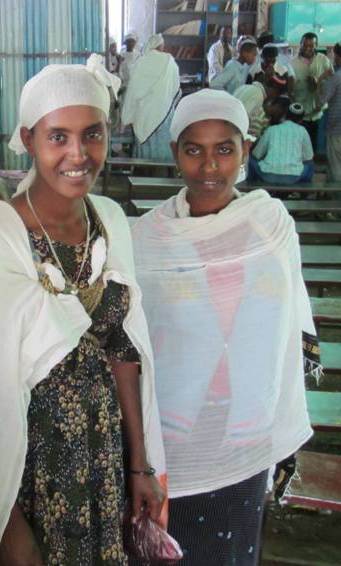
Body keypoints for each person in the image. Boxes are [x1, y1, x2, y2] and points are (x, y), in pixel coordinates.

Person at [0, 55, 167, 566]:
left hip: (105, 466)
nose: (78, 154)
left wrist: (138, 466)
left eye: (92, 134)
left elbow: (126, 353)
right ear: (28, 140)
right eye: (57, 137)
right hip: (30, 479)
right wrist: (8, 525)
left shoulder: (109, 221)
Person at [132, 89, 317, 565]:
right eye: (194, 150)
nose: (209, 166)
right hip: (173, 435)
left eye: (224, 149)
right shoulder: (149, 239)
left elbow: (287, 321)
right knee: (168, 550)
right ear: (176, 153)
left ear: (246, 151)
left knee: (230, 551)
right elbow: (135, 338)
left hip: (245, 431)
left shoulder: (270, 225)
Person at [122, 34, 181, 162]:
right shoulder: (170, 61)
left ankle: (143, 174)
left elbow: (132, 92)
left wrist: (127, 117)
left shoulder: (141, 63)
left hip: (145, 114)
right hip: (165, 114)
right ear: (160, 46)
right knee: (164, 150)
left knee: (146, 153)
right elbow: (176, 88)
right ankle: (165, 175)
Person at [249, 102, 314, 184]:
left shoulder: (272, 129)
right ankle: (304, 193)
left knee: (251, 159)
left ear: (285, 116)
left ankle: (251, 186)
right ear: (301, 120)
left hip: (268, 176)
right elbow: (308, 158)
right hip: (293, 177)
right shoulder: (303, 131)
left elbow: (256, 154)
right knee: (310, 163)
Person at [290, 32, 334, 149]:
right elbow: (289, 89)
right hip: (300, 114)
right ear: (300, 45)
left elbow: (332, 81)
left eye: (311, 46)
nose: (308, 49)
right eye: (305, 45)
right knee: (299, 146)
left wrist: (319, 81)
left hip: (317, 113)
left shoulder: (323, 60)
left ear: (316, 45)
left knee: (312, 145)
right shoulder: (293, 64)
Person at [319, 41, 341, 183]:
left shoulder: (335, 78)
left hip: (336, 130)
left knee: (336, 167)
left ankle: (336, 201)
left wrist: (320, 79)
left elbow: (320, 101)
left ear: (338, 56)